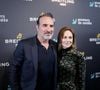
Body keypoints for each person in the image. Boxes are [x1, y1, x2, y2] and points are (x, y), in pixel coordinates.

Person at [10, 12, 57, 90]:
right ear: (37, 27)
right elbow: (13, 70)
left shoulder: (55, 46)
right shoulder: (24, 45)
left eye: (51, 26)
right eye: (45, 25)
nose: (48, 29)